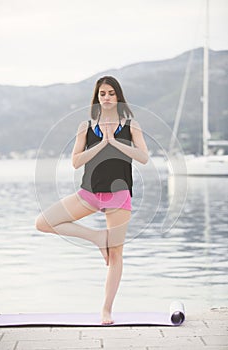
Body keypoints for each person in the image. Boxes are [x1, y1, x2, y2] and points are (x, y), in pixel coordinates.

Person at [35, 76, 149, 324]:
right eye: (102, 94)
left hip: (119, 196)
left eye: (110, 93)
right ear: (97, 98)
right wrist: (101, 144)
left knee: (116, 255)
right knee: (43, 222)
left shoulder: (131, 125)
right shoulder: (85, 127)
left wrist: (116, 142)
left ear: (117, 96)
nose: (106, 97)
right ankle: (97, 238)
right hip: (88, 194)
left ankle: (106, 310)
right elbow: (76, 162)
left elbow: (143, 157)